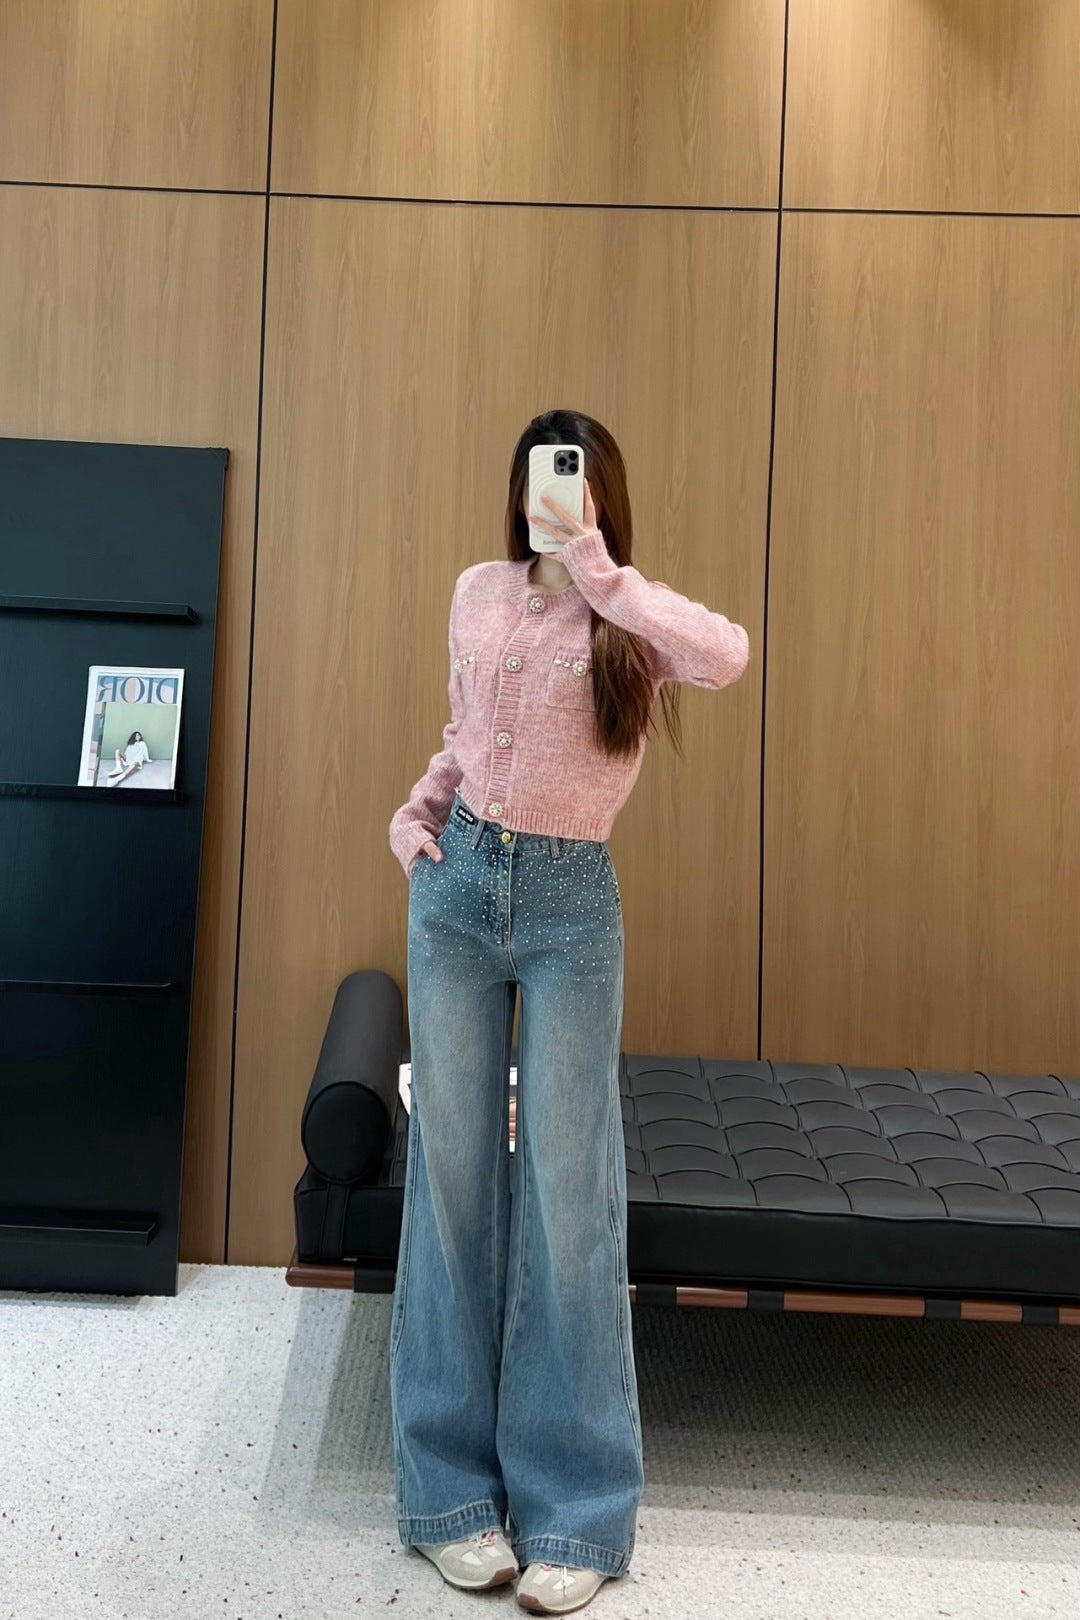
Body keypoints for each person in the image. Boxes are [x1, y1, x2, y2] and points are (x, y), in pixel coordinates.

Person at [387, 408, 751, 1615]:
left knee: (569, 1193)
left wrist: (599, 570)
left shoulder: (628, 618)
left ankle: (577, 1512)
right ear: (518, 489)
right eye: (539, 477)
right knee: (449, 1180)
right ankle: (449, 1500)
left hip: (570, 904)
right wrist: (420, 810)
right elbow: (464, 733)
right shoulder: (477, 591)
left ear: (598, 494)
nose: (547, 495)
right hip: (456, 891)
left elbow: (729, 654)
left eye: (571, 478)